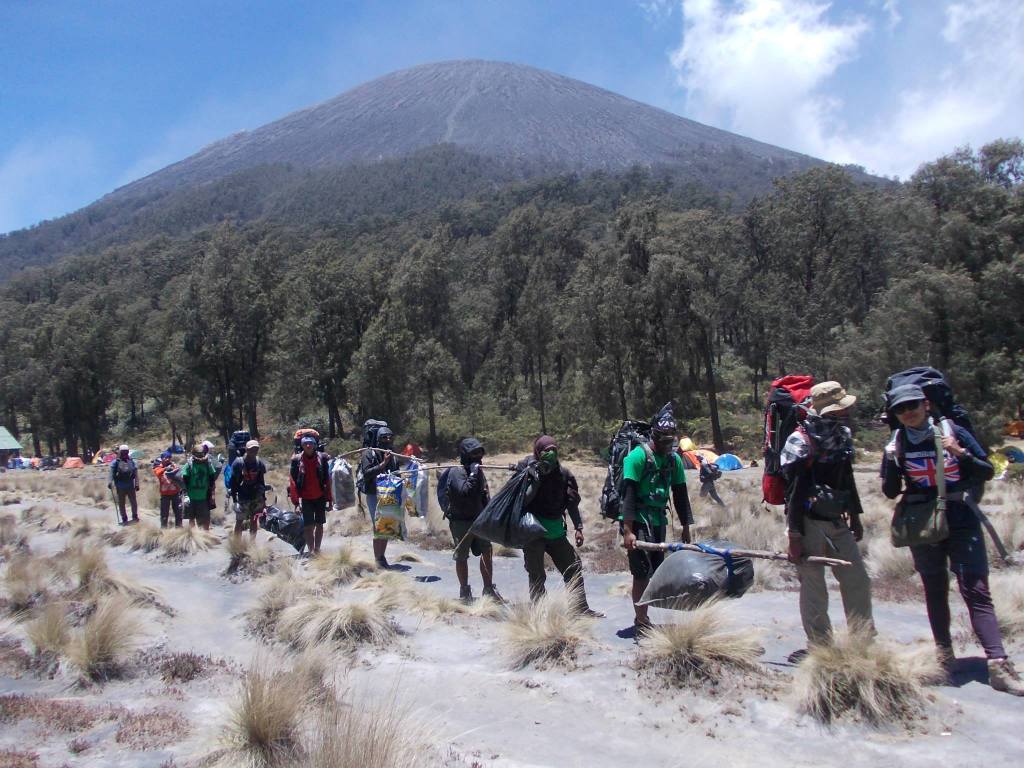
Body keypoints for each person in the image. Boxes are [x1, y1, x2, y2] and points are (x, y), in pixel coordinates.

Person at [882, 383, 1023, 695]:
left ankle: (998, 664)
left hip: (961, 518)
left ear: (926, 404)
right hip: (923, 524)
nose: (908, 412)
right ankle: (944, 658)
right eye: (900, 409)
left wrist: (959, 452)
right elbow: (890, 491)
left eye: (912, 405)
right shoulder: (897, 442)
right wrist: (891, 461)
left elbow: (986, 470)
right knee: (935, 589)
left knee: (976, 589)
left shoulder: (952, 431)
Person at [782, 381, 874, 662]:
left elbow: (847, 479)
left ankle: (863, 642)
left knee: (857, 579)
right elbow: (794, 492)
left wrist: (855, 515)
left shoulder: (842, 436)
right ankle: (820, 646)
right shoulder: (800, 441)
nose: (845, 414)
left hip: (837, 519)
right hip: (807, 521)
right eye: (839, 410)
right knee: (814, 586)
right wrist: (794, 535)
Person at [620, 411, 694, 636]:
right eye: (663, 438)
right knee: (641, 573)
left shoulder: (674, 460)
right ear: (654, 434)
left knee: (653, 571)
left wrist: (686, 527)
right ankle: (641, 620)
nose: (667, 443)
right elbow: (628, 497)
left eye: (670, 439)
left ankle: (643, 616)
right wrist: (628, 531)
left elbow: (680, 495)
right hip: (638, 521)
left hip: (659, 520)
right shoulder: (636, 457)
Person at [518, 436, 602, 616]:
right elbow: (521, 500)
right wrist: (535, 477)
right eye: (546, 450)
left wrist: (578, 528)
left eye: (554, 450)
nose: (551, 453)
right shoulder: (527, 471)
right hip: (532, 532)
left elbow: (571, 503)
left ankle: (579, 608)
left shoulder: (563, 474)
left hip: (555, 531)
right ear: (538, 452)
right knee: (536, 574)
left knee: (573, 567)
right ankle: (539, 612)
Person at [445, 437, 502, 602]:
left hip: (479, 520)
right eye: (474, 453)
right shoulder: (456, 472)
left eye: (480, 453)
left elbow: (484, 494)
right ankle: (464, 591)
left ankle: (488, 588)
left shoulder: (478, 471)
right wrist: (473, 473)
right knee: (462, 556)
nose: (478, 457)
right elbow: (464, 492)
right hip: (461, 522)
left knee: (486, 551)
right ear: (465, 454)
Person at [358, 427, 410, 568]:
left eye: (389, 437)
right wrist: (383, 464)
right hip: (374, 494)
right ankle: (378, 559)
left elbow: (396, 473)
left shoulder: (391, 454)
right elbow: (367, 473)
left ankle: (382, 557)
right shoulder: (369, 453)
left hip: (389, 493)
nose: (387, 440)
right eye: (384, 437)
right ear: (378, 439)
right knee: (378, 525)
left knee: (386, 525)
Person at [289, 435, 332, 556]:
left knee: (319, 525)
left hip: (320, 496)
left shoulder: (322, 459)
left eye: (310, 443)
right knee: (308, 526)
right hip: (305, 498)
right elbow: (293, 483)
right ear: (302, 446)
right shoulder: (297, 460)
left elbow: (328, 480)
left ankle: (317, 550)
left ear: (314, 445)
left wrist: (330, 500)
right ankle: (312, 551)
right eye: (305, 444)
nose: (308, 446)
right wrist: (296, 503)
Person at [230, 439, 267, 539]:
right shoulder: (238, 463)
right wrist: (234, 500)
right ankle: (237, 543)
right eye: (251, 449)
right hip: (242, 496)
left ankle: (252, 543)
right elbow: (233, 482)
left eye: (256, 449)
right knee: (239, 521)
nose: (254, 451)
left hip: (255, 496)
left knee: (254, 520)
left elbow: (261, 481)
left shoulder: (259, 463)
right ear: (246, 449)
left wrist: (263, 498)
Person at [180, 445, 218, 531]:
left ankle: (204, 535)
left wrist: (212, 495)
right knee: (191, 518)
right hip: (191, 497)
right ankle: (193, 534)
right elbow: (184, 481)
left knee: (204, 519)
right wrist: (185, 495)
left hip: (204, 497)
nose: (200, 456)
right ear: (194, 454)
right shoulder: (189, 465)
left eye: (202, 454)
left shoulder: (208, 464)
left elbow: (212, 480)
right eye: (198, 454)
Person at [108, 444, 139, 525]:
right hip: (130, 485)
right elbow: (136, 473)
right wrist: (137, 484)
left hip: (120, 486)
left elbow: (111, 473)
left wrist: (110, 482)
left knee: (122, 503)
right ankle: (135, 516)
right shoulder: (132, 461)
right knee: (133, 502)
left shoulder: (116, 462)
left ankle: (124, 518)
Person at [153, 451, 183, 528]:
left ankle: (179, 528)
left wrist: (173, 468)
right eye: (165, 458)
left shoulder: (174, 465)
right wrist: (165, 469)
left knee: (178, 512)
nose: (167, 459)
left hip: (175, 493)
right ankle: (164, 528)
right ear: (162, 458)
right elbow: (157, 473)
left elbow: (180, 474)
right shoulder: (158, 467)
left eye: (169, 457)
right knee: (164, 513)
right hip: (165, 494)